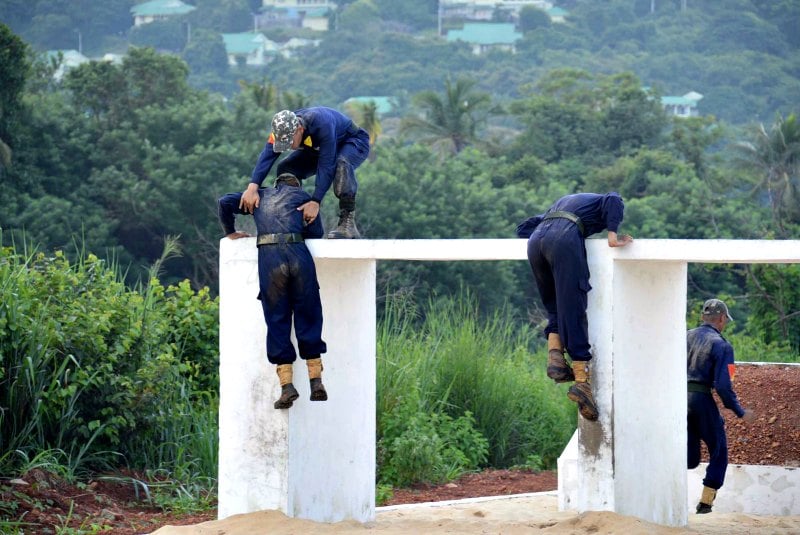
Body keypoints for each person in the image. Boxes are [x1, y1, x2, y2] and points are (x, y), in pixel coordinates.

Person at [516, 192, 633, 421]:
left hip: (536, 243)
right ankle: (582, 382)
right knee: (574, 308)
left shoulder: (562, 206)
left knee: (555, 307)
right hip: (564, 239)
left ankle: (556, 359)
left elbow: (523, 228)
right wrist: (613, 237)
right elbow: (613, 199)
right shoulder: (603, 201)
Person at [219, 173, 328, 409]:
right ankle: (316, 381)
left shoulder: (259, 196)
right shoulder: (303, 197)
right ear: (296, 184)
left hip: (270, 258)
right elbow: (317, 233)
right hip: (299, 255)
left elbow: (224, 202)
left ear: (276, 184)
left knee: (277, 319)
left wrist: (230, 231)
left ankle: (287, 386)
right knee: (308, 313)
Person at [240, 107, 371, 239]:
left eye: (289, 142)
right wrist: (252, 187)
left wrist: (315, 202)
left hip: (353, 142)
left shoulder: (321, 124)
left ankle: (347, 223)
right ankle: (292, 220)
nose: (288, 146)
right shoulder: (280, 129)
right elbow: (267, 156)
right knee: (287, 168)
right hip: (318, 147)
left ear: (299, 129)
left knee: (341, 165)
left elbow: (326, 167)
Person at [687, 298, 754, 514]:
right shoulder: (723, 346)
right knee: (719, 449)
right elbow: (724, 386)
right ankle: (706, 502)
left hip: (677, 398)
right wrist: (738, 410)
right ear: (723, 318)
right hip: (700, 399)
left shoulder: (684, 336)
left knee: (688, 457)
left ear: (703, 317)